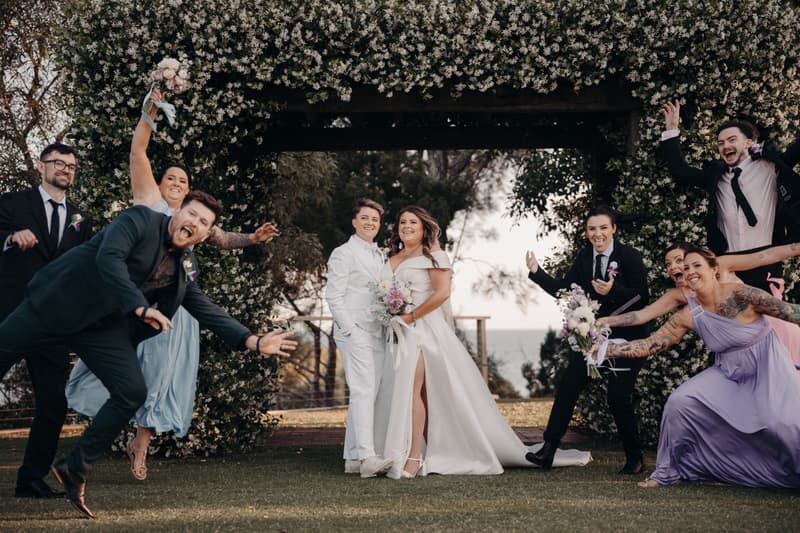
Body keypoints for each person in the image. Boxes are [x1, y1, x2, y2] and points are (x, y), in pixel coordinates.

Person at [0, 191, 296, 518]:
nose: (194, 224)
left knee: (132, 391)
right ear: (178, 212)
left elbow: (203, 307)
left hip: (99, 328)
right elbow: (108, 259)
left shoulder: (186, 265)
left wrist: (252, 340)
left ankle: (74, 468)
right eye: (192, 215)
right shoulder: (139, 220)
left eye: (203, 223)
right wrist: (140, 307)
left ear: (206, 233)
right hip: (56, 305)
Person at [65, 87, 278, 481]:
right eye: (172, 177)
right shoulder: (148, 203)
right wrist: (150, 110)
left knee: (165, 377)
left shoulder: (196, 221)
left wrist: (253, 238)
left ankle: (140, 445)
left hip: (177, 311)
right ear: (160, 184)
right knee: (129, 372)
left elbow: (226, 238)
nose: (178, 181)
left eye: (184, 179)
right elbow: (138, 153)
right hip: (137, 305)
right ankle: (106, 432)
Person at [377, 206, 590, 479]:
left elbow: (442, 294)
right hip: (397, 332)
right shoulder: (391, 256)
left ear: (423, 228)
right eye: (403, 221)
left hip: (422, 331)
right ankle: (419, 449)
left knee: (414, 391)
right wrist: (390, 312)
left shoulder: (435, 256)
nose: (406, 226)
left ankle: (414, 457)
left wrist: (409, 316)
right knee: (419, 395)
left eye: (413, 222)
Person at [596, 245, 800, 488]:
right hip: (728, 373)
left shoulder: (742, 296)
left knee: (782, 423)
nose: (689, 271)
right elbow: (650, 344)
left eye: (696, 266)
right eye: (685, 268)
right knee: (680, 402)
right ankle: (669, 472)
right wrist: (605, 349)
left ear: (715, 270)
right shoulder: (688, 315)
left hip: (767, 366)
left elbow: (792, 312)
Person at [525, 205, 650, 474]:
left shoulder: (629, 256)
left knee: (618, 397)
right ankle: (548, 450)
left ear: (614, 229)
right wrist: (537, 272)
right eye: (592, 229)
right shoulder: (584, 257)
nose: (598, 234)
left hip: (627, 339)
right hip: (592, 338)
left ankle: (635, 457)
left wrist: (614, 290)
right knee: (568, 387)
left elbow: (642, 297)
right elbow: (563, 289)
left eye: (603, 228)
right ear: (586, 232)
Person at [0, 143, 94, 499]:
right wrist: (10, 237)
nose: (65, 170)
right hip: (9, 313)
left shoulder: (81, 219)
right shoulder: (12, 203)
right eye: (58, 163)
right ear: (41, 167)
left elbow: (85, 267)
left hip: (52, 323)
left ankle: (30, 480)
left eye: (71, 166)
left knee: (54, 403)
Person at [658, 101, 800, 290]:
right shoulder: (716, 176)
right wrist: (671, 130)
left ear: (748, 143)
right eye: (721, 143)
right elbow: (681, 172)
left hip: (765, 259)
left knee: (768, 318)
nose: (726, 146)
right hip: (728, 265)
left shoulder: (770, 166)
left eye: (732, 140)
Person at [599, 241, 800, 369]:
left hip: (775, 329)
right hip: (739, 354)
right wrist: (605, 321)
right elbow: (642, 315)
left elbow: (766, 256)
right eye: (668, 264)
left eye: (679, 261)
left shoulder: (721, 265)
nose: (674, 267)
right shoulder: (679, 294)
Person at [326, 199, 392, 478]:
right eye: (364, 218)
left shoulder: (380, 255)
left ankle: (352, 458)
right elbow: (333, 295)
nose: (370, 223)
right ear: (354, 222)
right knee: (364, 391)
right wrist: (350, 330)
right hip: (353, 332)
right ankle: (367, 458)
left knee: (369, 393)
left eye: (374, 220)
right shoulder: (343, 253)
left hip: (377, 331)